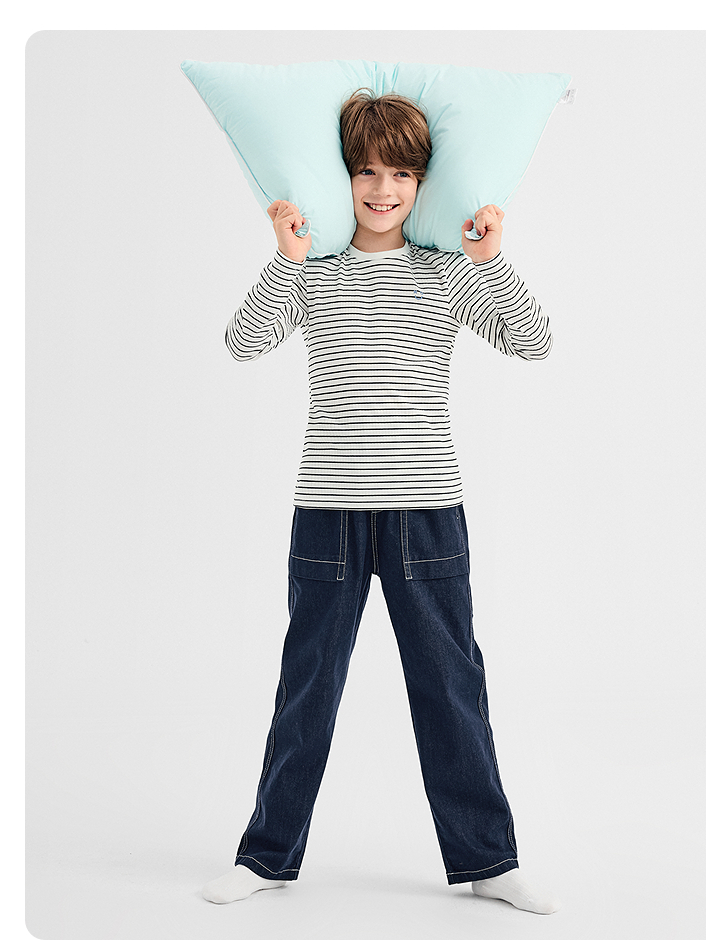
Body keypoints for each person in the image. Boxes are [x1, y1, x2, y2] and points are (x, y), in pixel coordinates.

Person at [202, 90, 560, 915]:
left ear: (422, 182)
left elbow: (534, 341)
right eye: (366, 171)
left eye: (401, 173)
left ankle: (487, 858)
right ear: (344, 179)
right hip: (328, 511)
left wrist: (491, 261)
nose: (383, 188)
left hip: (427, 511)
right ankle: (266, 856)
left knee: (449, 685)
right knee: (308, 686)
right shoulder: (315, 273)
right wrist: (286, 259)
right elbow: (243, 342)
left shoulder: (445, 273)